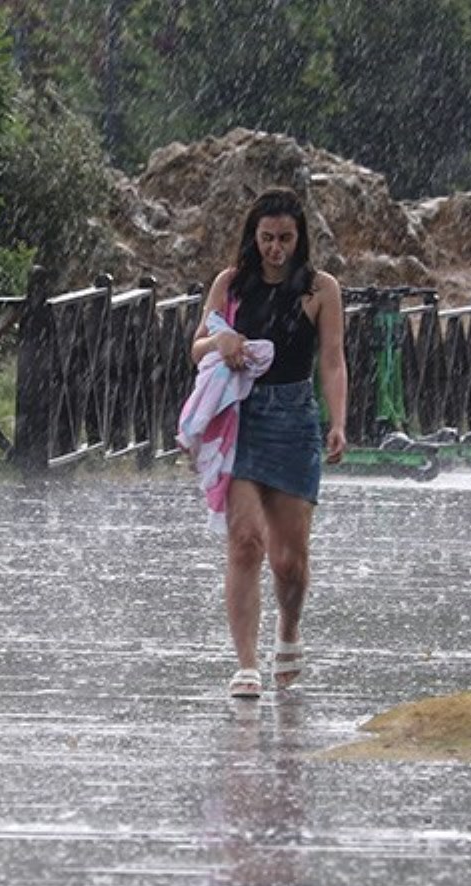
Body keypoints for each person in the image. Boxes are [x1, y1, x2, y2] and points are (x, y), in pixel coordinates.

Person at [189, 187, 347, 699]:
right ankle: (245, 664)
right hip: (242, 417)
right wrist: (221, 341)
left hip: (295, 418)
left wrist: (337, 421)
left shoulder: (321, 289)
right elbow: (198, 346)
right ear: (252, 238)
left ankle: (289, 628)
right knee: (245, 542)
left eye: (284, 239)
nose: (274, 248)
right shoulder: (231, 283)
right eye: (266, 238)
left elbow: (332, 359)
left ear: (300, 240)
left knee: (289, 560)